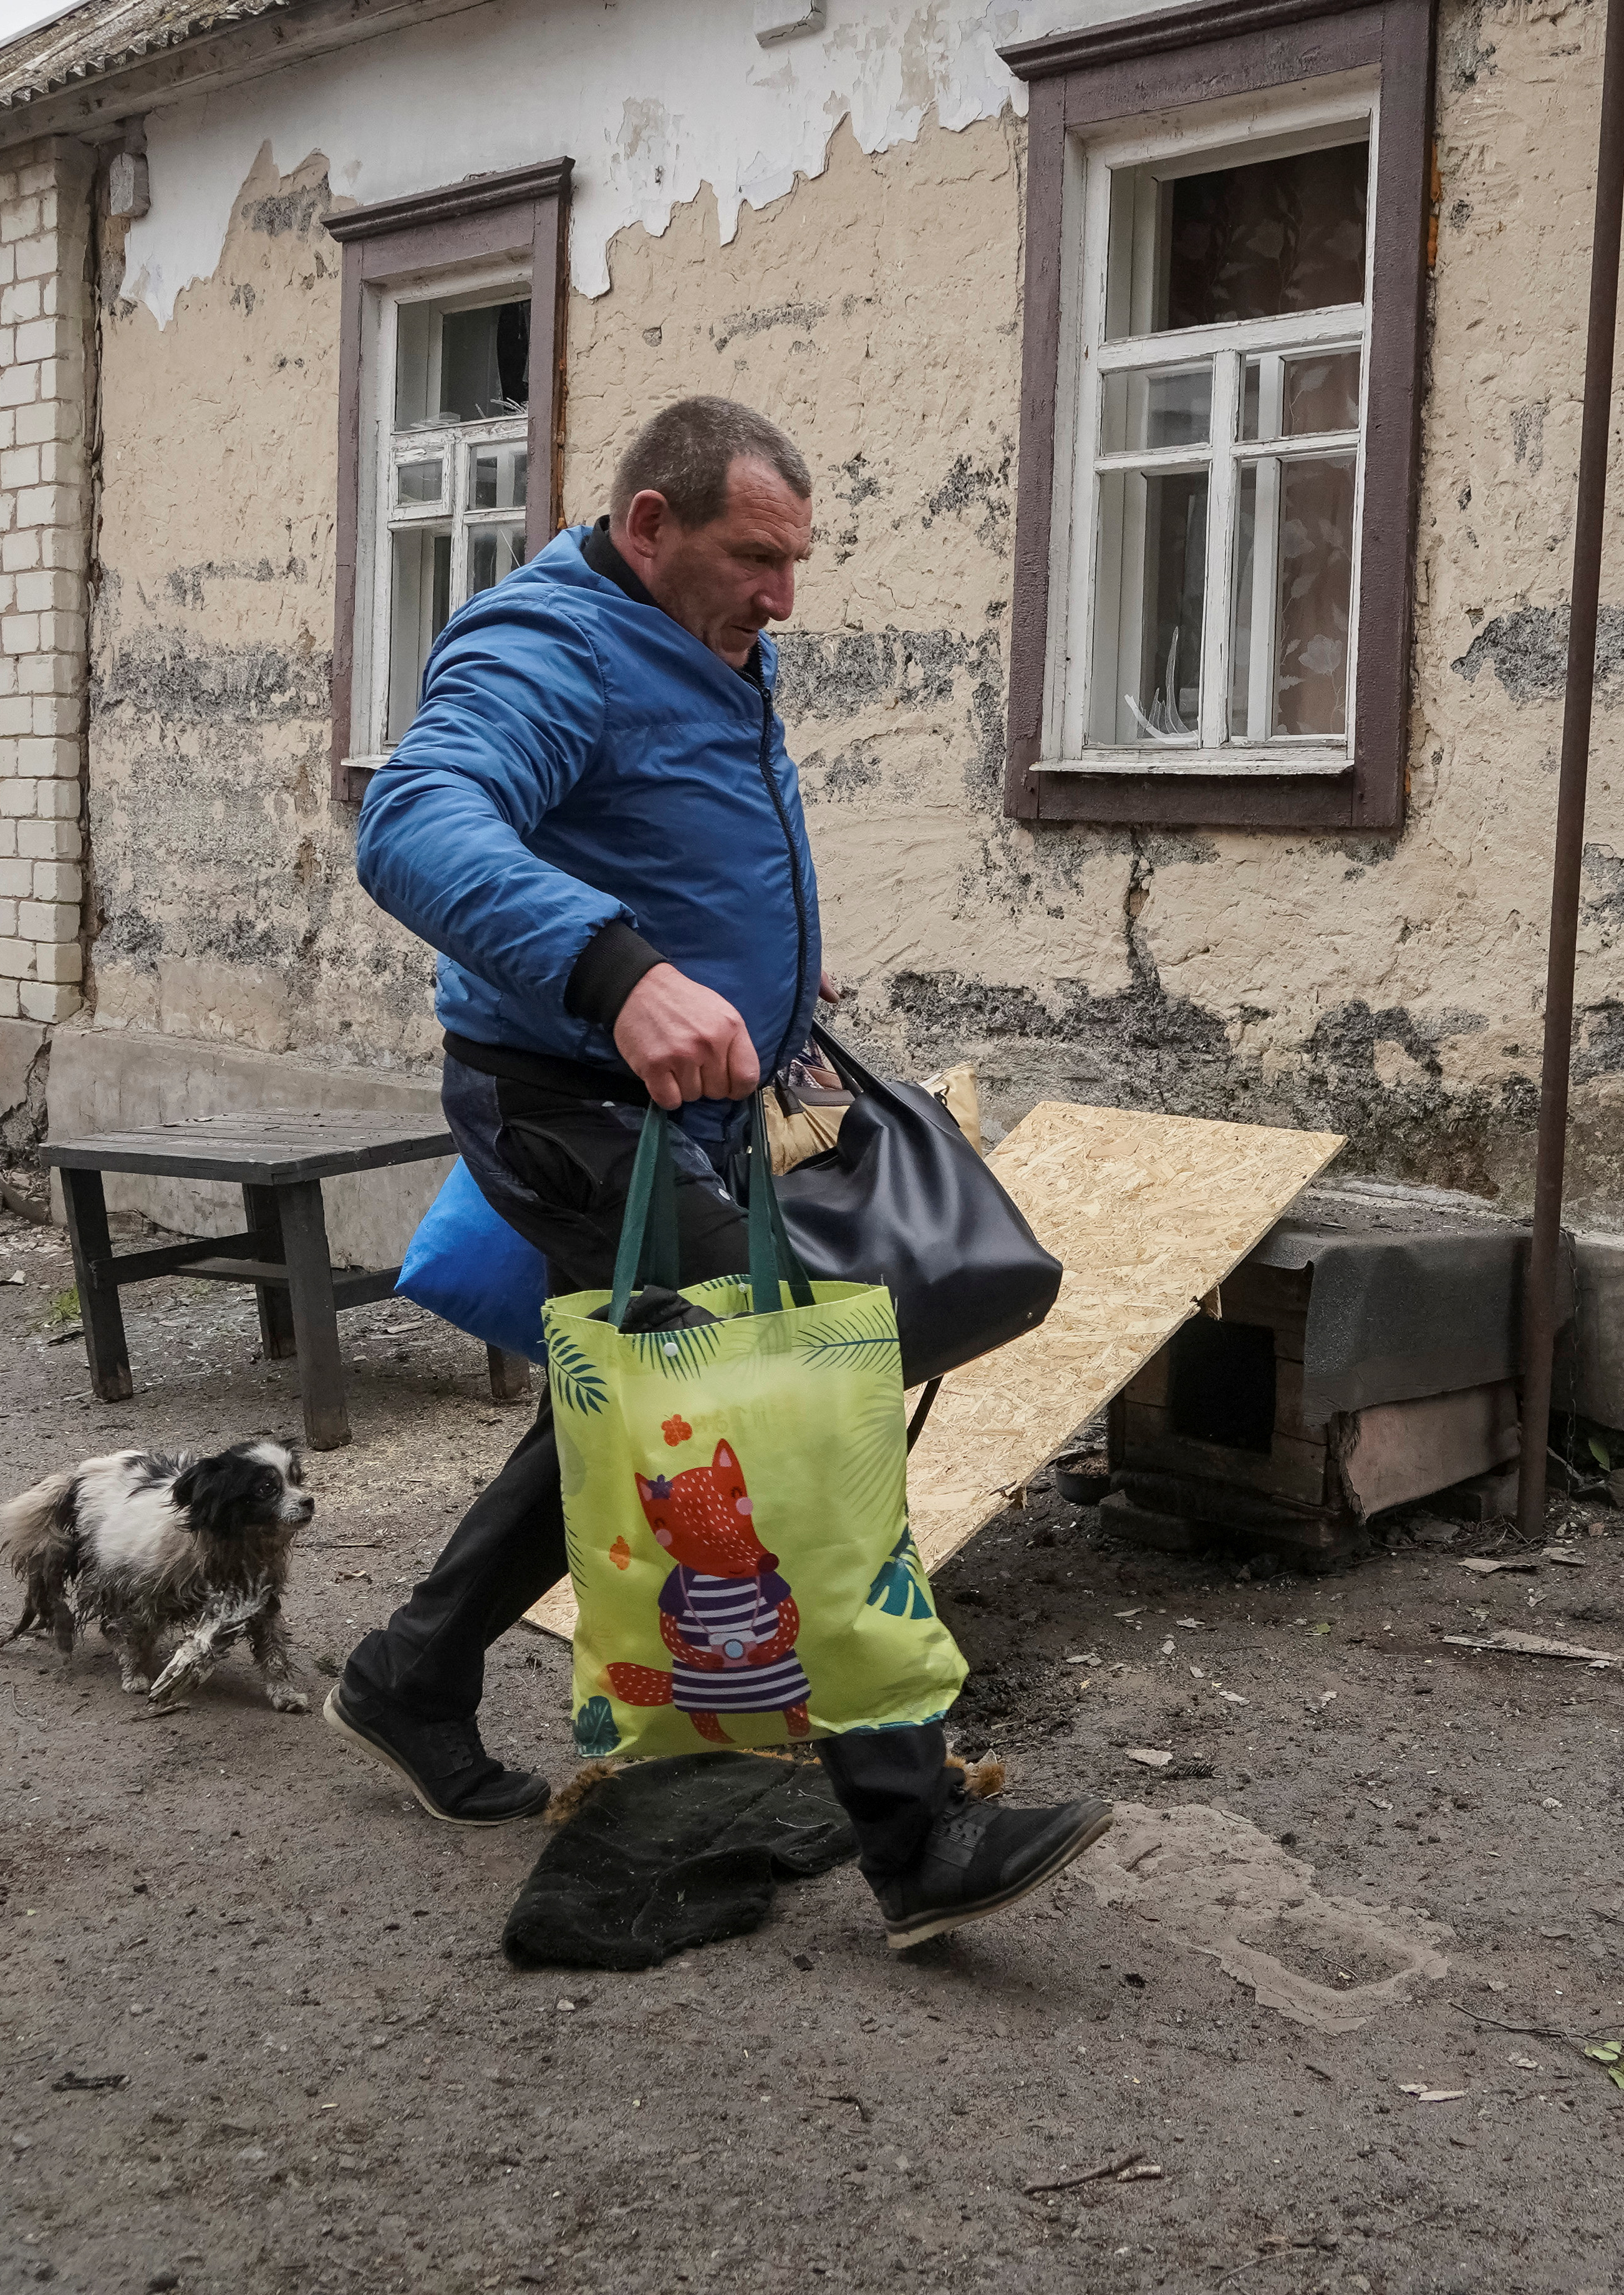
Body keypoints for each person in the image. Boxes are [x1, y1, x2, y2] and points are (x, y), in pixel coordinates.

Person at [327, 394, 1110, 1950]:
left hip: (689, 1106)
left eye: (796, 560)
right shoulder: (543, 643)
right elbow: (413, 818)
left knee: (634, 1416)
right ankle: (916, 1831)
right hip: (576, 1105)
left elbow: (678, 832)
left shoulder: (709, 644)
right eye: (755, 556)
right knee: (779, 1403)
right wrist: (619, 966)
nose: (783, 595)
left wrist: (771, 1006)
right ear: (646, 526)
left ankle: (409, 1674)